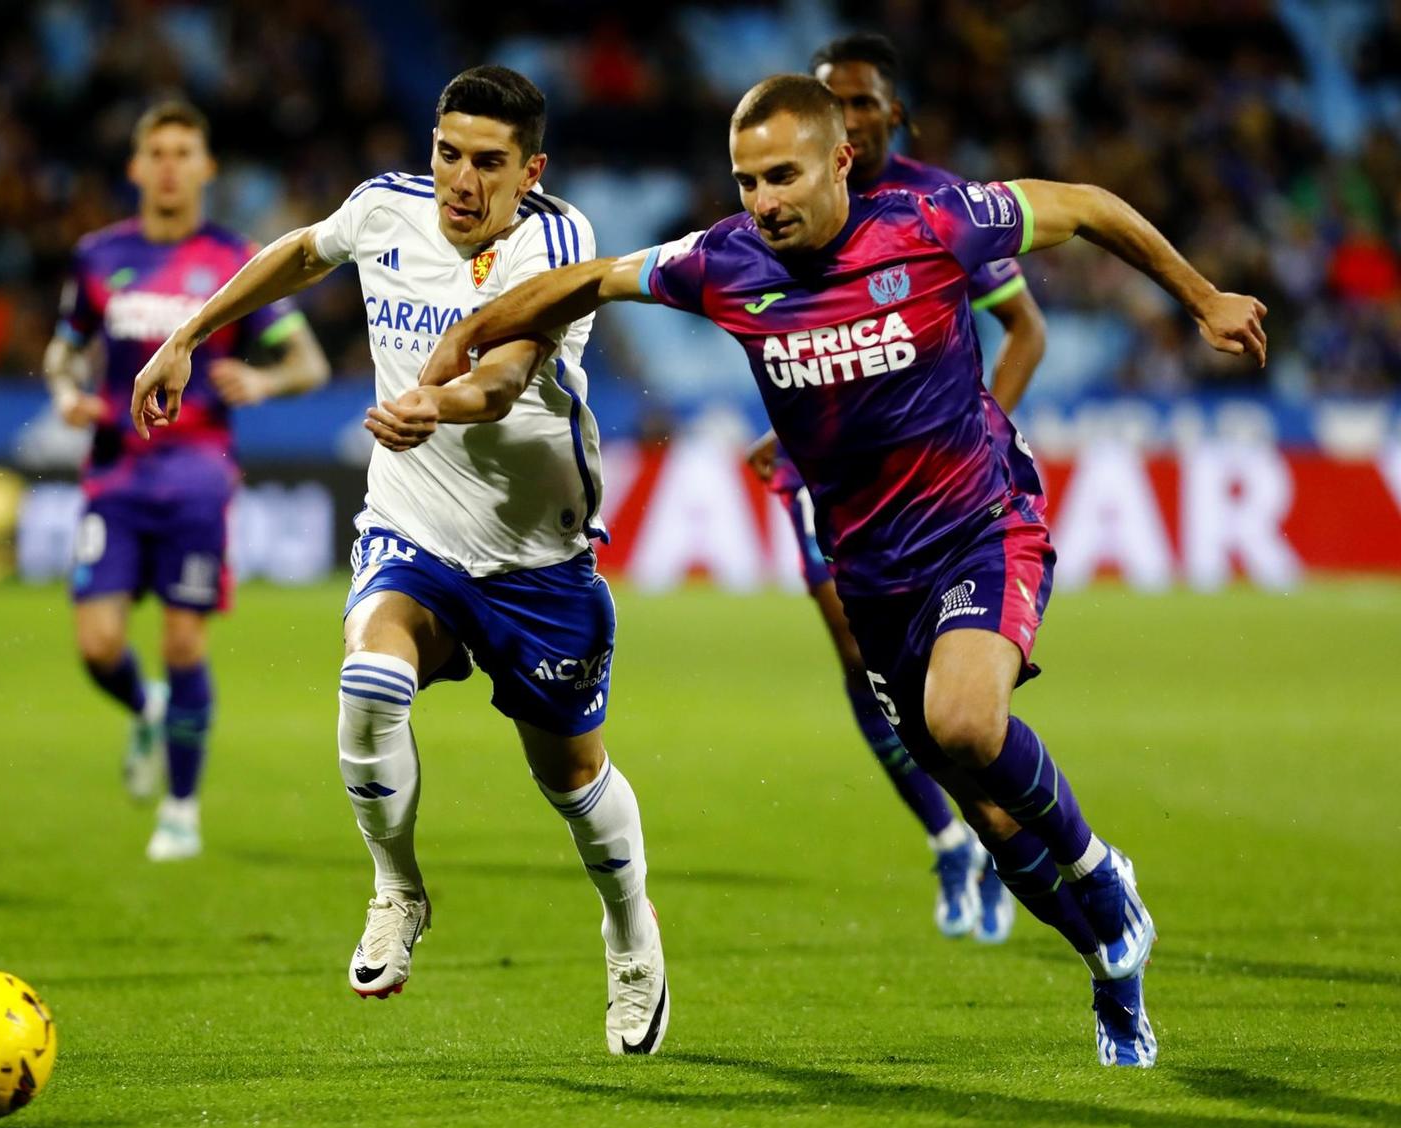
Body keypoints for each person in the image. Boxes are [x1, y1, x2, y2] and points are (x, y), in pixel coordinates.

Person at [420, 75, 1269, 1067]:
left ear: (838, 162)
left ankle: (1097, 865)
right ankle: (1107, 965)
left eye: (780, 175)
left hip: (980, 526)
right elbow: (589, 279)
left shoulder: (936, 221)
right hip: (872, 574)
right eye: (744, 181)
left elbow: (1081, 207)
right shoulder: (721, 262)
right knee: (984, 808)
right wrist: (471, 330)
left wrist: (1202, 295)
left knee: (963, 722)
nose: (762, 200)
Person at [131, 67, 669, 1055]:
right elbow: (299, 252)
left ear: (530, 170)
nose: (461, 180)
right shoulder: (385, 207)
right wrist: (187, 334)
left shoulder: (559, 242)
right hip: (412, 531)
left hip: (535, 560)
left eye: (488, 163)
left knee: (572, 780)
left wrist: (437, 402)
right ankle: (396, 885)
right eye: (447, 153)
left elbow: (505, 376)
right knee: (370, 678)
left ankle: (630, 930)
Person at [744, 32, 1053, 943]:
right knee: (856, 647)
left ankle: (999, 828)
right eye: (831, 97)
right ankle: (947, 835)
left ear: (891, 112)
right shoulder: (789, 197)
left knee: (950, 694)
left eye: (864, 98)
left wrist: (969, 427)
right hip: (828, 473)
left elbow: (1025, 331)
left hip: (943, 480)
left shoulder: (940, 204)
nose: (850, 111)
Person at [45, 100, 329, 861]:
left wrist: (263, 384)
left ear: (207, 168)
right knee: (100, 644)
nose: (170, 165)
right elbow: (63, 349)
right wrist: (65, 391)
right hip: (114, 467)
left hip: (198, 475)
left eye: (184, 152)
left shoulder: (241, 262)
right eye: (158, 152)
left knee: (181, 640)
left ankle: (180, 808)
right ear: (136, 167)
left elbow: (309, 362)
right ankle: (145, 710)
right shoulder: (98, 256)